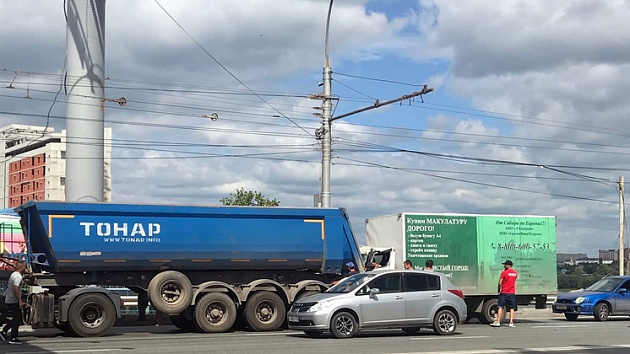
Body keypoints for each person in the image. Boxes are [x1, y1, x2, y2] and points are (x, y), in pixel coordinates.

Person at [0, 260, 27, 344]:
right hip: (13, 300)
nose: (26, 268)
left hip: (10, 299)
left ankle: (4, 331)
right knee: (17, 319)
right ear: (21, 267)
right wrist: (19, 301)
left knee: (16, 318)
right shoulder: (18, 277)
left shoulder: (14, 274)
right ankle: (13, 338)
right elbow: (15, 288)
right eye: (25, 267)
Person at [490, 260, 518, 328]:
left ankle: (498, 322)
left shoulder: (504, 273)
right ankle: (511, 322)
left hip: (504, 292)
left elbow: (500, 282)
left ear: (508, 265)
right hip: (511, 293)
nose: (504, 266)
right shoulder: (515, 273)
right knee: (512, 308)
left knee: (500, 307)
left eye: (505, 265)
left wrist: (498, 289)